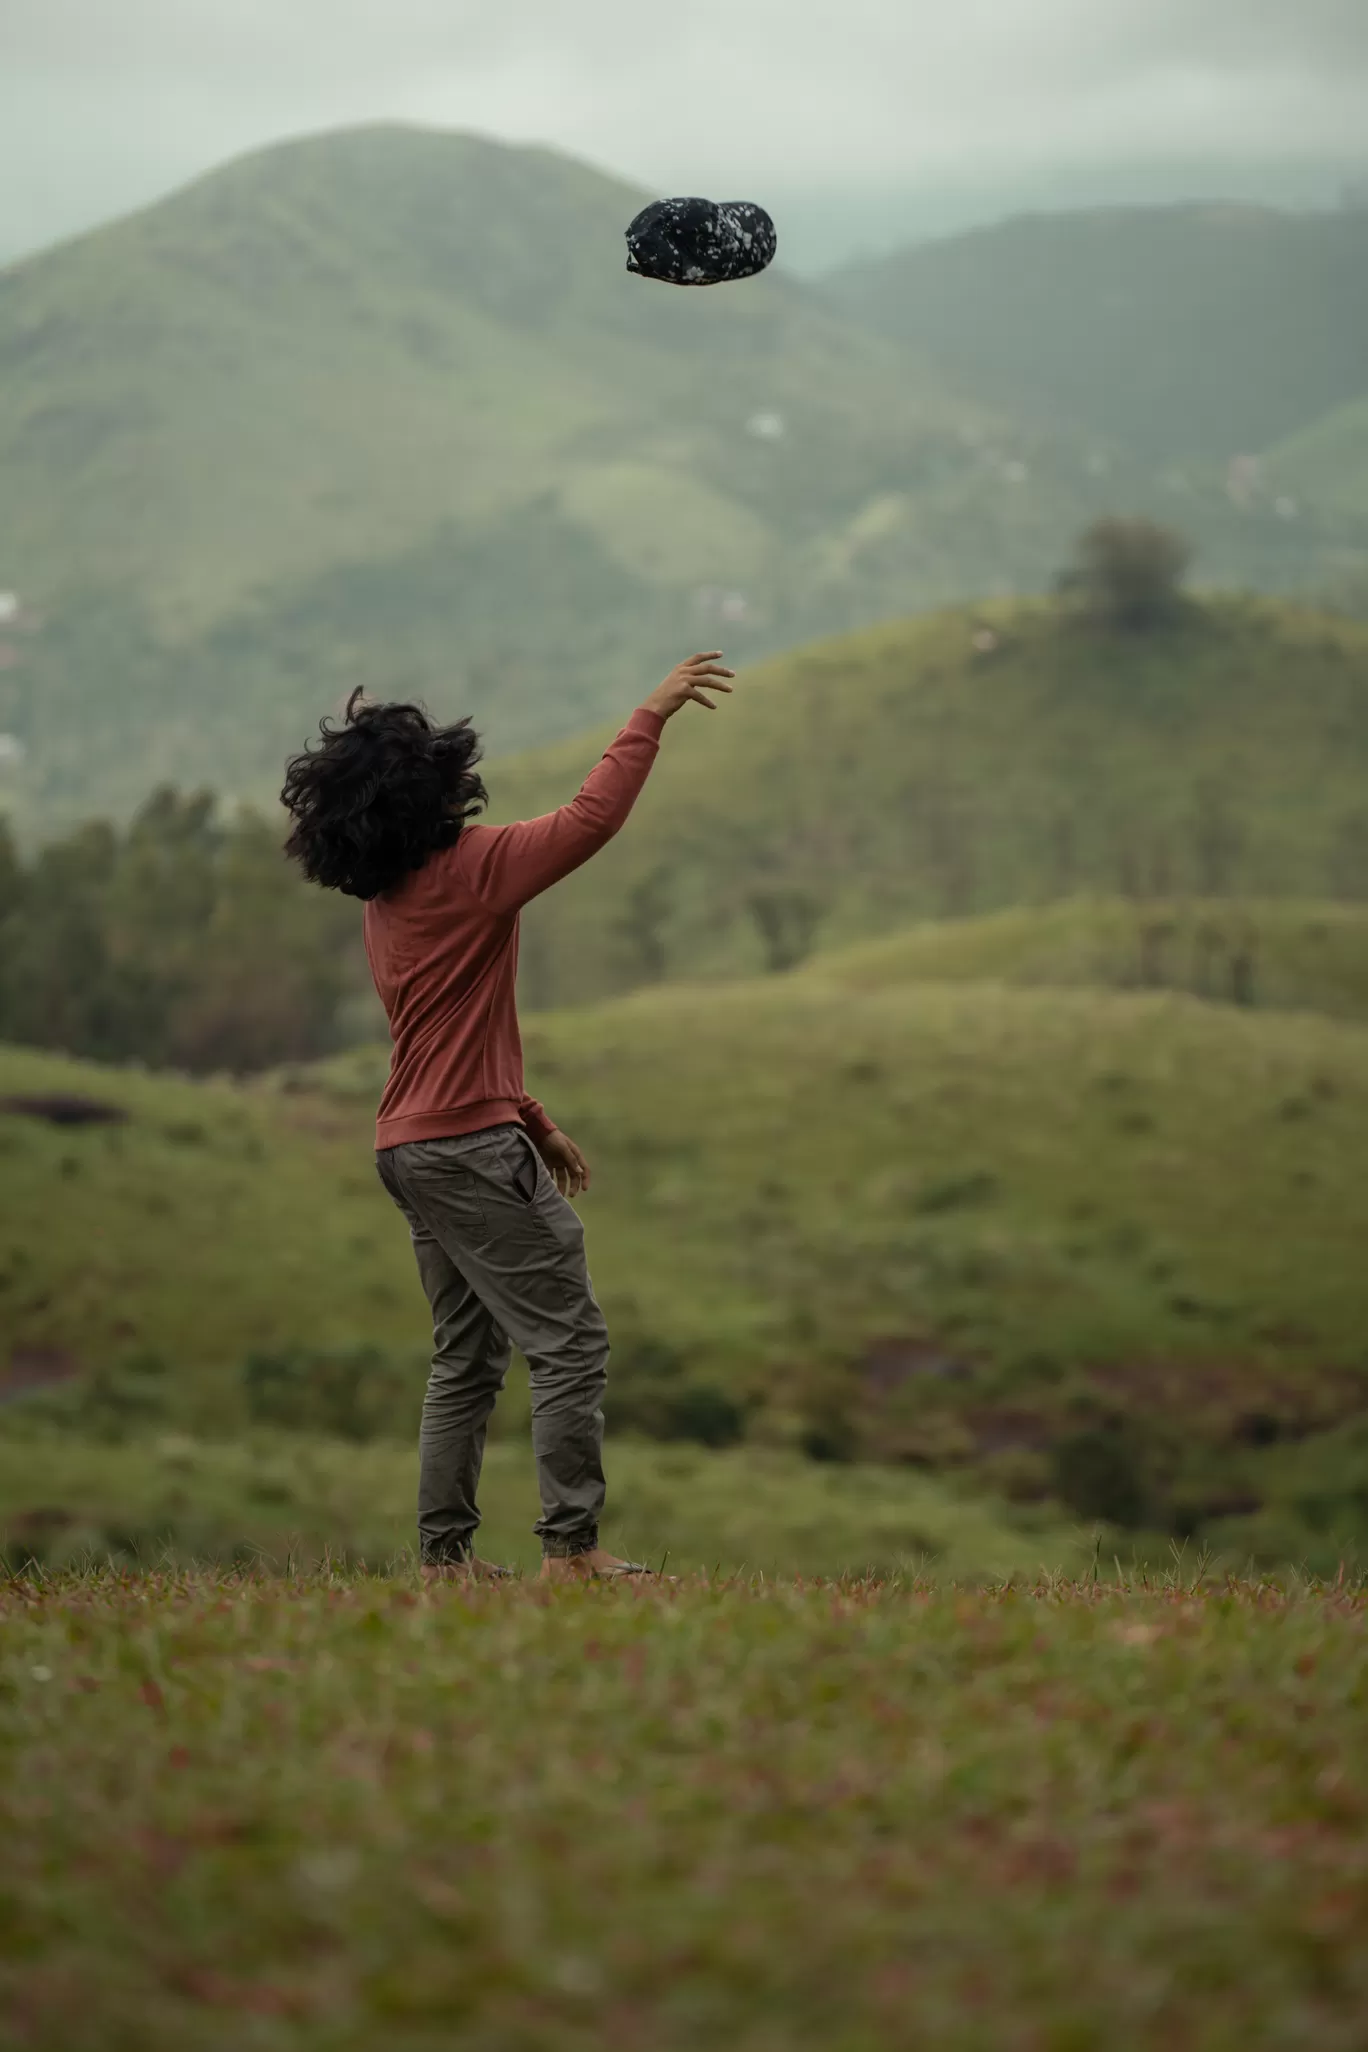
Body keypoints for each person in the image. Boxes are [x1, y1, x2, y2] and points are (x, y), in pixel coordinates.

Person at [281, 652, 735, 1583]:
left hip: (409, 1144)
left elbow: (444, 1031)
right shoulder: (475, 870)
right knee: (570, 1338)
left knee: (467, 1355)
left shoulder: (385, 903)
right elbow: (588, 821)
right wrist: (648, 715)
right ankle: (571, 1551)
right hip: (467, 1149)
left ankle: (443, 1561)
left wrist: (532, 1117)